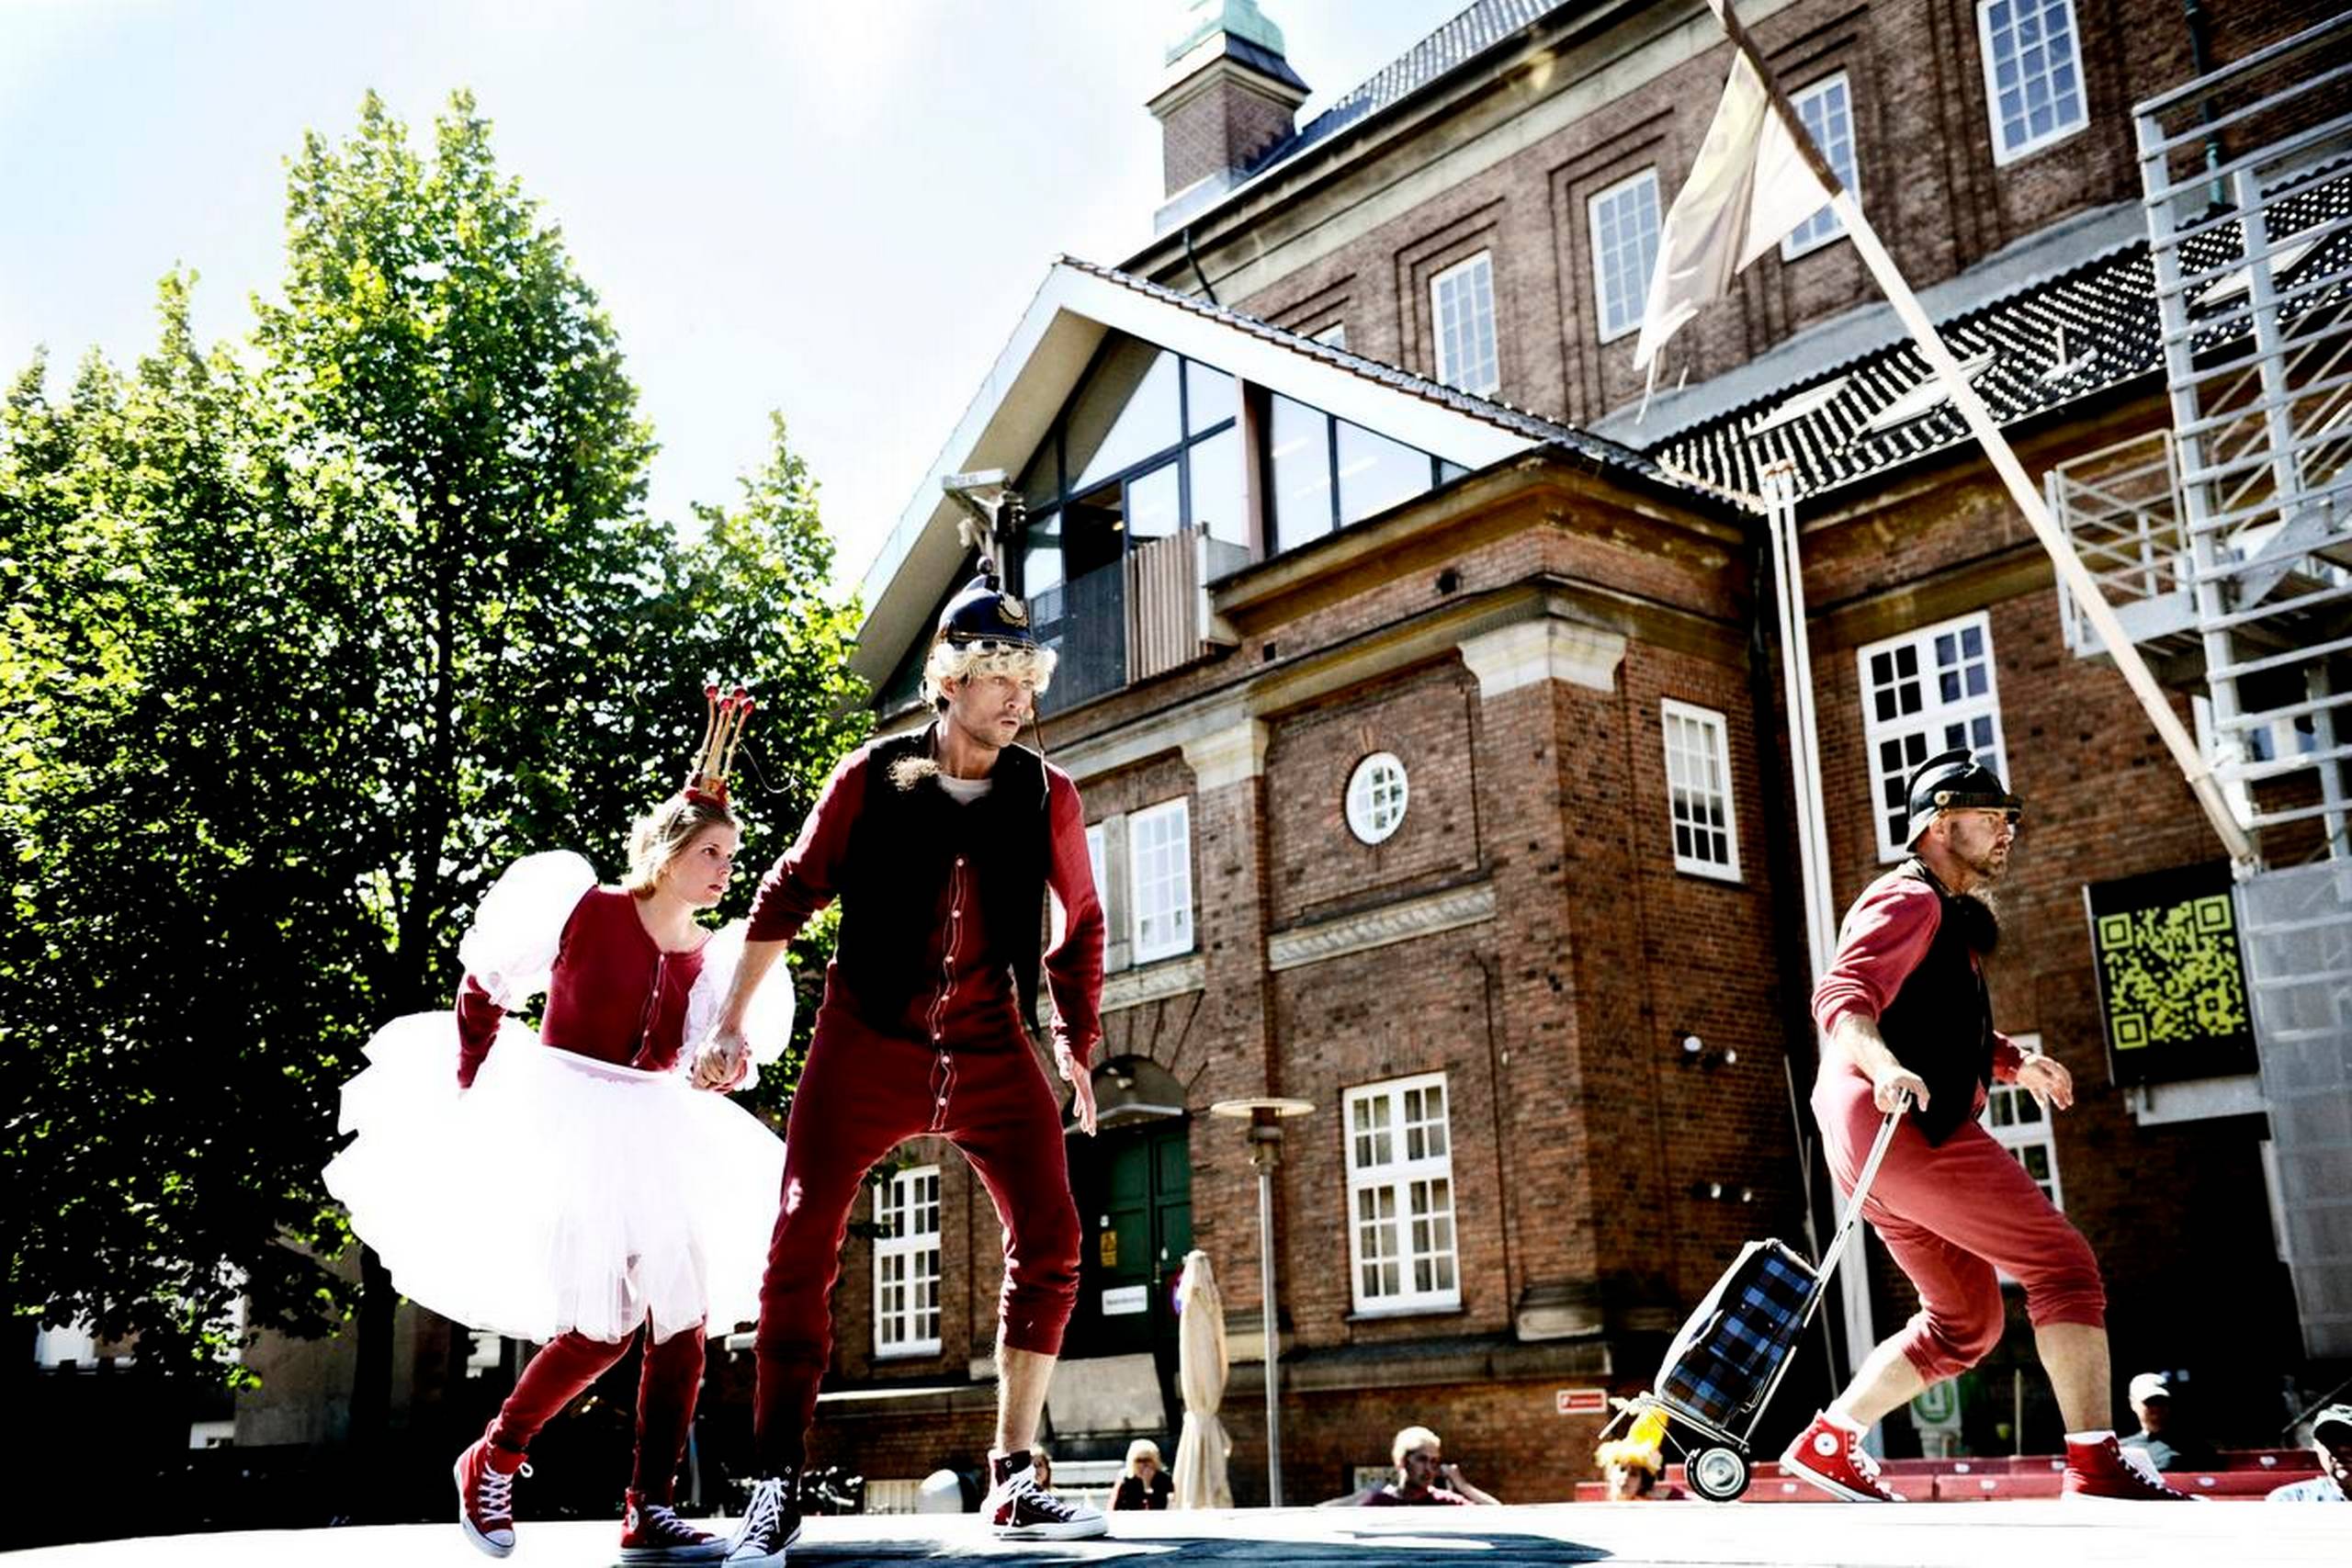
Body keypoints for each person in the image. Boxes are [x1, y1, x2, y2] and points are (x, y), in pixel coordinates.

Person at [324, 687, 794, 1562]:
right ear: (668, 853)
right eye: (713, 852)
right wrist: (468, 1084)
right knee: (605, 1326)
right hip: (569, 1113)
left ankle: (647, 1503)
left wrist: (718, 1064)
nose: (728, 869)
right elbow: (484, 984)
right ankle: (494, 1454)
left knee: (684, 1326)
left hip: (657, 1128)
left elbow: (706, 1061)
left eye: (733, 854)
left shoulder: (710, 957)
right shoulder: (583, 906)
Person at [698, 562, 1108, 1562]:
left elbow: (1082, 925)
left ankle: (1013, 1476)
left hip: (987, 1042)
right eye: (997, 672)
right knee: (799, 1248)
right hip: (865, 1038)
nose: (1018, 695)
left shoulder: (1047, 794)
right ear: (947, 679)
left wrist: (1075, 1047)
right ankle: (775, 1482)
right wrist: (730, 1024)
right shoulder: (869, 777)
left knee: (1054, 1240)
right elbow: (787, 896)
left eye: (1028, 675)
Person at [1780, 750, 2192, 1505]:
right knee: (2064, 1267)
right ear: (1941, 823)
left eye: (2010, 818)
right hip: (1899, 1122)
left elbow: (1934, 1023)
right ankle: (2098, 1461)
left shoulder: (1940, 913)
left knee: (1966, 1321)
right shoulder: (1909, 899)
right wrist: (1882, 1067)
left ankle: (1830, 1438)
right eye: (1992, 817)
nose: (2008, 831)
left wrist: (2013, 1062)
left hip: (1871, 1139)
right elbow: (1843, 995)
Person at [1360, 1427, 1502, 1506]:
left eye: (1434, 1461)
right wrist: (1361, 1495)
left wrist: (1462, 1485)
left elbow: (1498, 1513)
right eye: (1422, 1459)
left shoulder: (1444, 1501)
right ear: (1402, 1461)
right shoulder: (1381, 1502)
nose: (1429, 1468)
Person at [2120, 1371, 2215, 1471]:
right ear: (2133, 1403)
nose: (2156, 1408)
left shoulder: (2196, 1448)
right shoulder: (2122, 1449)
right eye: (2150, 1402)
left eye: (2161, 1401)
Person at [2267, 1403, 2350, 1502]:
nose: (2342, 1449)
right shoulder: (2289, 1500)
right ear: (2315, 1447)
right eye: (2330, 1440)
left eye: (2349, 1440)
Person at [1111, 1438, 1173, 1510]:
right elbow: (1114, 1509)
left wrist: (1147, 1486)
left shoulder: (1163, 1480)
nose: (1143, 1465)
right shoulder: (1126, 1480)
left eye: (1147, 1460)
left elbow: (1159, 1508)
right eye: (1139, 1461)